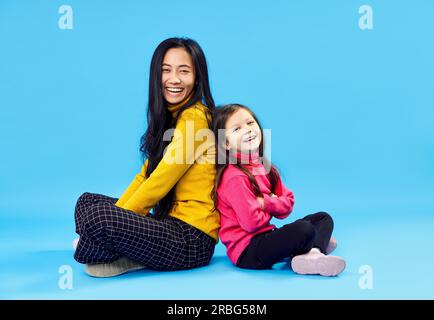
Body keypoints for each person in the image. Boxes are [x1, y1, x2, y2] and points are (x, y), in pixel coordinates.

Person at [73, 37, 219, 277]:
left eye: (184, 71)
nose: (174, 79)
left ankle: (109, 249)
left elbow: (160, 181)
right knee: (87, 202)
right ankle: (117, 250)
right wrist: (119, 219)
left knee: (98, 218)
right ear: (156, 76)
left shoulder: (196, 118)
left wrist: (117, 223)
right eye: (166, 70)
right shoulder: (172, 119)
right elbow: (145, 176)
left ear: (197, 78)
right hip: (167, 225)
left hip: (192, 240)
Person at [212, 103, 346, 276]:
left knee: (322, 218)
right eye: (237, 128)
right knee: (304, 230)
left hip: (267, 235)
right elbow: (251, 224)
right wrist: (274, 202)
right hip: (248, 251)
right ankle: (311, 247)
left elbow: (288, 204)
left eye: (250, 123)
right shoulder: (234, 176)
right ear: (226, 144)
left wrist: (263, 203)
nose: (247, 130)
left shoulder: (264, 167)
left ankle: (312, 253)